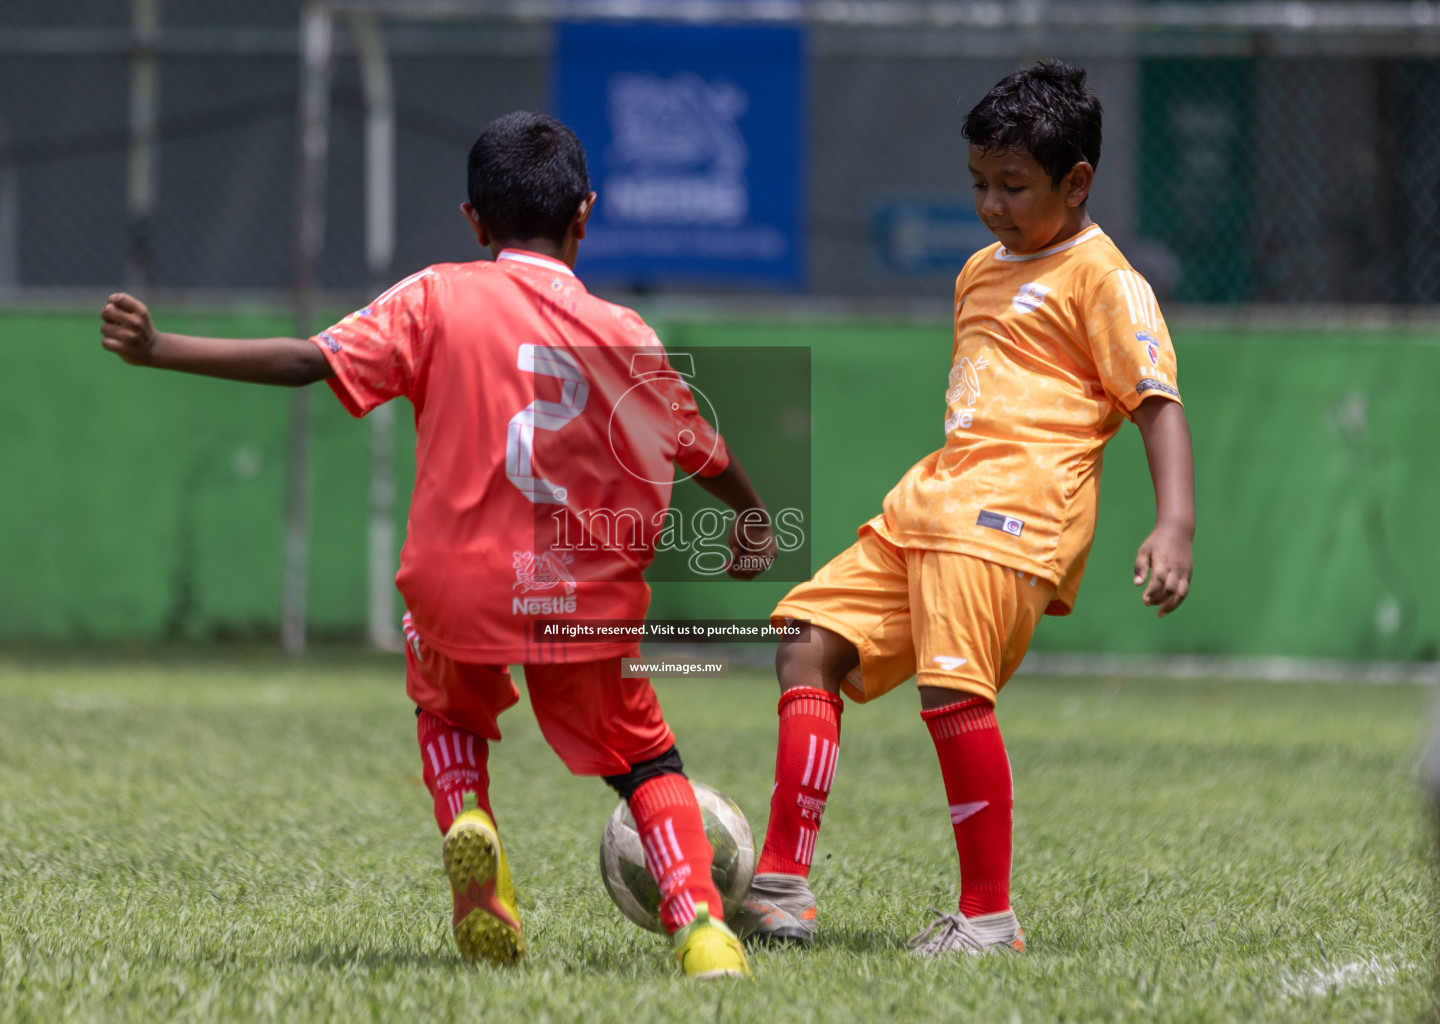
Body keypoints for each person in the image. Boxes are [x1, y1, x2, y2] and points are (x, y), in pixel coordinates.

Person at [99, 111, 776, 979]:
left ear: (473, 221)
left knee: (449, 704)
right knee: (647, 757)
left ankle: (471, 821)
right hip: (583, 599)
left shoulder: (434, 297)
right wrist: (752, 517)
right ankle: (702, 928)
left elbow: (309, 361)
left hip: (458, 589)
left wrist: (162, 348)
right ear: (585, 216)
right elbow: (702, 451)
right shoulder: (629, 333)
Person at [733, 61, 1196, 955]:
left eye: (1013, 187)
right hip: (932, 504)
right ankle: (782, 887)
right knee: (807, 642)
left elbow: (1156, 403)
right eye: (980, 183)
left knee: (953, 685)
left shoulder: (1106, 280)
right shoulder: (979, 270)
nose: (991, 205)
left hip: (1013, 516)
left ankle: (988, 917)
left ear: (1078, 183)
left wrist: (1172, 522)